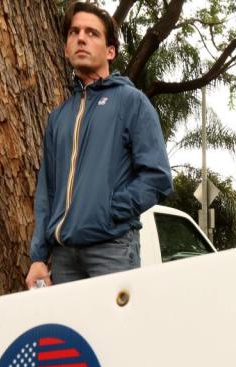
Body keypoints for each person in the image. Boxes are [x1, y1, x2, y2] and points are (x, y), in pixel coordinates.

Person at [26, 2, 173, 288]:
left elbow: (157, 178)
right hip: (64, 256)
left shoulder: (132, 102)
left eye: (92, 33)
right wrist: (38, 257)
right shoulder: (58, 117)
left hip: (112, 249)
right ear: (67, 48)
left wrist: (107, 212)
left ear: (110, 51)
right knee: (71, 333)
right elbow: (47, 192)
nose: (81, 38)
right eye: (74, 32)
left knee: (115, 333)